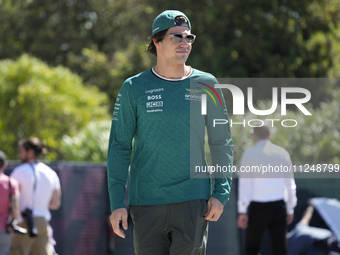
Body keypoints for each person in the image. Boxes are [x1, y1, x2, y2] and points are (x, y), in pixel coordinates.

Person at [107, 10, 233, 255]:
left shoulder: (208, 84)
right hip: (145, 201)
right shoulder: (133, 87)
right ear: (157, 41)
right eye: (177, 37)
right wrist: (116, 203)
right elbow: (119, 146)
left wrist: (221, 192)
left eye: (189, 38)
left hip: (193, 200)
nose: (185, 43)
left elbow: (222, 142)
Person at [237, 125, 297, 255]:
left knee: (251, 248)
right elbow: (290, 184)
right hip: (279, 207)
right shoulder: (283, 153)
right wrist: (290, 207)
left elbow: (245, 184)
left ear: (255, 136)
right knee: (280, 248)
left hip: (257, 208)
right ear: (270, 135)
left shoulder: (248, 155)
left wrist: (242, 210)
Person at [10, 137, 62, 255]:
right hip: (43, 223)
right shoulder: (51, 173)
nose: (19, 155)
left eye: (22, 151)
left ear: (30, 152)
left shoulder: (19, 171)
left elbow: (11, 198)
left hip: (23, 222)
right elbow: (55, 204)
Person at [0, 150, 20, 255]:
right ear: (4, 165)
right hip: (4, 228)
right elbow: (15, 206)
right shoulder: (11, 183)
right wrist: (14, 220)